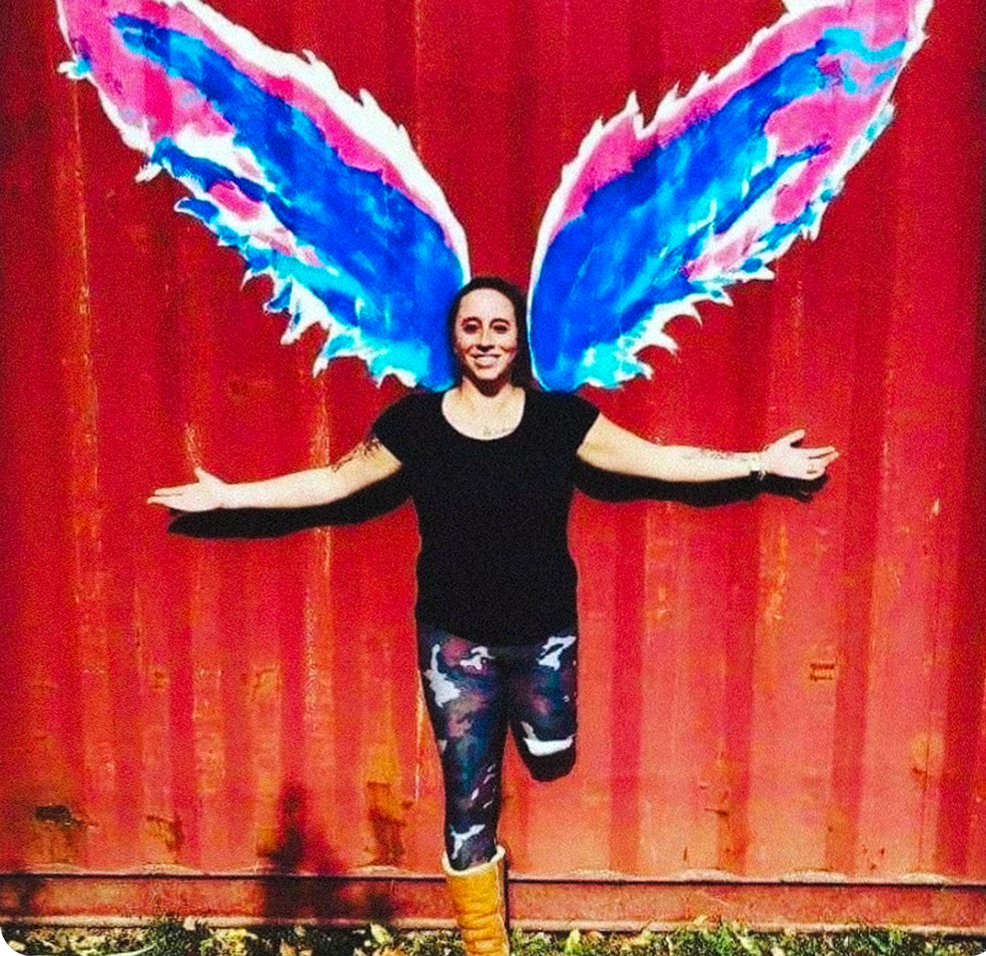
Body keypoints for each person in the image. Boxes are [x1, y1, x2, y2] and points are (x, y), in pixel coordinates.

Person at [149, 275, 838, 956]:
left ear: (518, 340)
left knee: (549, 749)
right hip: (456, 643)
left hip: (545, 637)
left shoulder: (561, 421)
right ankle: (486, 942)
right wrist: (229, 499)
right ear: (455, 338)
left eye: (499, 327)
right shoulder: (414, 425)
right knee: (469, 796)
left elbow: (659, 463)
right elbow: (335, 480)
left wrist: (759, 463)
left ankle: (540, 727)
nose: (485, 340)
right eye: (471, 327)